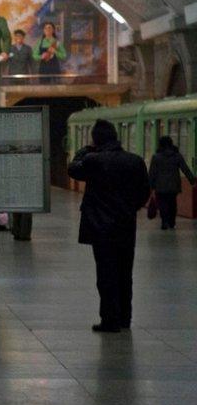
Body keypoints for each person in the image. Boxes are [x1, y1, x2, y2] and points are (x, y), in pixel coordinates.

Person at [68, 120, 150, 332]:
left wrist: (83, 151)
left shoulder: (94, 160)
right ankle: (125, 318)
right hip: (126, 226)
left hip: (100, 227)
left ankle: (110, 320)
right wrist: (129, 208)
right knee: (125, 272)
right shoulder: (135, 161)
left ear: (96, 140)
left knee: (106, 274)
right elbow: (144, 193)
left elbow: (72, 170)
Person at [149, 135, 196, 230]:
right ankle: (172, 222)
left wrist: (150, 185)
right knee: (172, 203)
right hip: (174, 185)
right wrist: (192, 180)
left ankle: (164, 222)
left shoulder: (156, 157)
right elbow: (185, 169)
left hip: (160, 186)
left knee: (162, 204)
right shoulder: (177, 156)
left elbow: (152, 172)